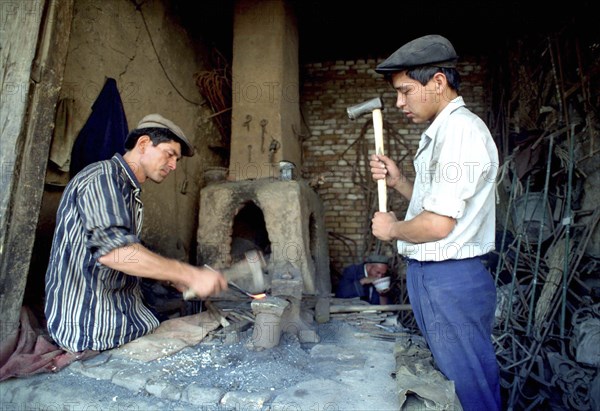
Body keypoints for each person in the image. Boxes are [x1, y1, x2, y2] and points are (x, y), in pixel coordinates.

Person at [369, 35, 501, 411]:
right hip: (436, 276)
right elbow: (441, 207)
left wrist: (392, 228)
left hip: (450, 277)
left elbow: (438, 225)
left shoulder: (459, 133)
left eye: (406, 91)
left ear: (438, 82)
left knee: (468, 384)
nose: (399, 102)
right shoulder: (445, 131)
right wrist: (399, 183)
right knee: (453, 379)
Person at [44, 113, 228, 354]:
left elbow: (126, 249)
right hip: (89, 323)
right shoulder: (102, 178)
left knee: (189, 307)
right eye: (169, 154)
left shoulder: (126, 189)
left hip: (119, 305)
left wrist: (172, 277)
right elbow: (117, 254)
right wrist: (190, 274)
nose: (173, 165)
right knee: (204, 331)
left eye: (177, 159)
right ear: (143, 144)